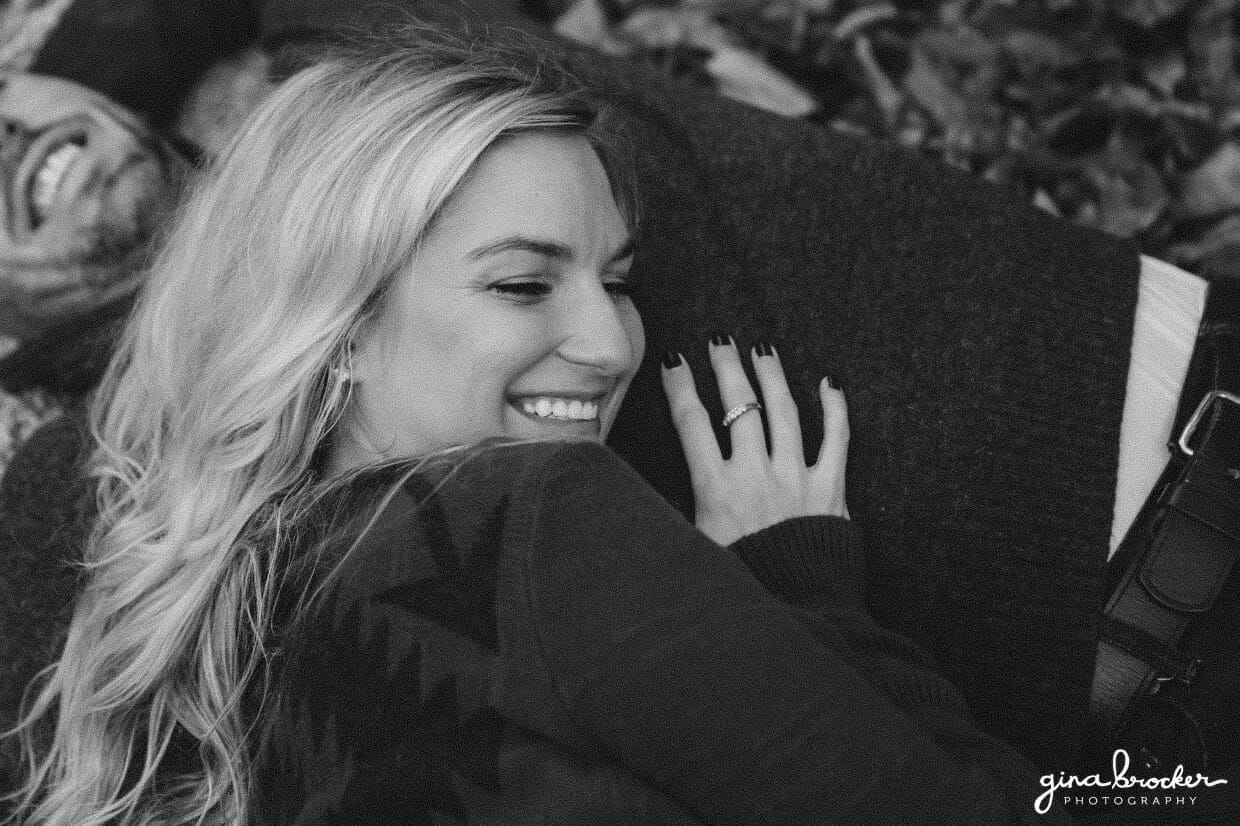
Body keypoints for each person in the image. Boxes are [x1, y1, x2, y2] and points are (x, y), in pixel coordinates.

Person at [2, 0, 1227, 785]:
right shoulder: (92, 480)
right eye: (523, 282)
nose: (603, 337)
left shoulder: (363, 64)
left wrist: (64, 92)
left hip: (1189, 359)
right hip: (1113, 715)